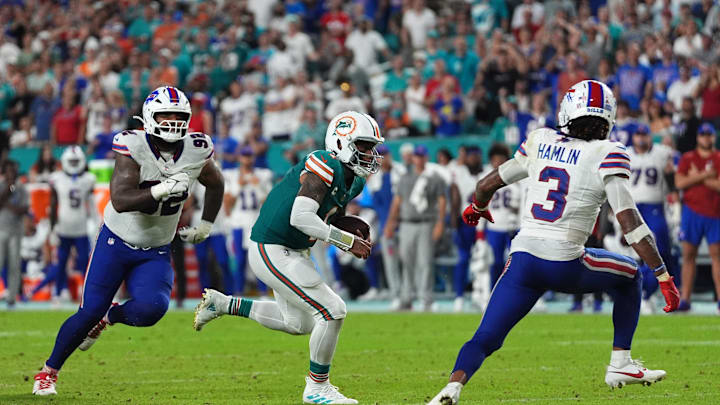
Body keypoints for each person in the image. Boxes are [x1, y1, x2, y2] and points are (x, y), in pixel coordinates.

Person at [427, 80, 680, 405]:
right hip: (564, 262)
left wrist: (477, 208)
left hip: (523, 260)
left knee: (486, 337)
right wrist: (662, 274)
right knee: (631, 274)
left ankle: (452, 387)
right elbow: (630, 223)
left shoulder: (540, 139)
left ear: (567, 112)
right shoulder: (609, 152)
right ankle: (620, 364)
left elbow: (485, 184)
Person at [32, 86, 225, 396]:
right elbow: (120, 199)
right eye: (166, 115)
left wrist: (206, 223)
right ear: (150, 116)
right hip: (116, 242)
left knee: (152, 309)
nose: (174, 121)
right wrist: (161, 190)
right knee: (88, 311)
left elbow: (216, 184)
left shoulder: (197, 148)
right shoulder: (131, 143)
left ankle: (111, 316)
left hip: (157, 248)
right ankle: (48, 372)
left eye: (180, 116)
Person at [194, 111, 382, 404]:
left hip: (293, 249)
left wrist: (348, 234)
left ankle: (223, 303)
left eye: (373, 147)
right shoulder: (325, 163)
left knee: (300, 323)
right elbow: (301, 217)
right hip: (272, 245)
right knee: (333, 310)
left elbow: (330, 213)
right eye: (364, 145)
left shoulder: (354, 180)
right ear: (342, 142)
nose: (371, 153)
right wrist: (345, 240)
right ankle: (317, 387)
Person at [384, 145, 447, 311]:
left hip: (426, 222)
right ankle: (406, 299)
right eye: (416, 156)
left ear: (426, 158)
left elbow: (441, 202)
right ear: (413, 158)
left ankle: (426, 300)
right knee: (406, 261)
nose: (419, 159)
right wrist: (391, 223)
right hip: (406, 223)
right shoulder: (405, 178)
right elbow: (397, 202)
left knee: (425, 262)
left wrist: (440, 223)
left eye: (421, 156)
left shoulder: (434, 178)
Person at [626, 124, 676, 313]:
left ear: (650, 137)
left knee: (660, 251)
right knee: (633, 255)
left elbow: (673, 168)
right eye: (638, 134)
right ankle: (639, 293)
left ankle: (648, 292)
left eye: (644, 135)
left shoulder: (662, 153)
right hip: (631, 208)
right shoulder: (626, 153)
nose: (641, 138)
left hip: (655, 207)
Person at [675, 123, 720, 312]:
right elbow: (679, 182)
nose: (706, 138)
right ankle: (685, 299)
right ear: (698, 137)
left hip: (715, 212)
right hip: (691, 212)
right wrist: (706, 176)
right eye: (703, 135)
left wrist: (698, 177)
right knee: (688, 256)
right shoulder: (688, 158)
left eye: (709, 135)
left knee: (717, 256)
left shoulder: (718, 158)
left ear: (714, 137)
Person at [46, 146, 98, 301]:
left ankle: (85, 291)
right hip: (63, 226)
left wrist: (95, 223)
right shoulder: (56, 178)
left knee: (84, 261)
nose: (74, 164)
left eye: (77, 161)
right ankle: (59, 290)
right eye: (72, 161)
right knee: (61, 261)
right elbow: (53, 204)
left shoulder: (88, 179)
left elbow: (92, 204)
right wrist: (52, 228)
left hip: (81, 226)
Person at [222, 146, 274, 295]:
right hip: (238, 222)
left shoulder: (262, 175)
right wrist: (239, 185)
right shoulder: (231, 176)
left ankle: (263, 292)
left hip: (256, 222)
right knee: (239, 260)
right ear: (240, 158)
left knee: (259, 260)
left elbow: (268, 203)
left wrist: (258, 186)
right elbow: (227, 203)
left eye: (249, 156)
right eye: (244, 156)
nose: (247, 159)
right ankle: (238, 292)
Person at [449, 145, 486, 312]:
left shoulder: (487, 171)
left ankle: (481, 296)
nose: (474, 159)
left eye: (476, 156)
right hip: (466, 222)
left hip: (485, 223)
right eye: (471, 156)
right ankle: (459, 296)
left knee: (484, 262)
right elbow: (455, 199)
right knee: (463, 260)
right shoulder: (460, 172)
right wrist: (454, 224)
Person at [483, 144, 523, 291]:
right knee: (495, 262)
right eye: (495, 159)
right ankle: (493, 291)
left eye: (501, 159)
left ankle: (517, 292)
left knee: (517, 263)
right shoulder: (486, 177)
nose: (498, 162)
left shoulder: (517, 178)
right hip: (494, 227)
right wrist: (480, 230)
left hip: (514, 226)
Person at [0, 159, 29, 309]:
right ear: (5, 171)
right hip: (1, 229)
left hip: (16, 231)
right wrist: (8, 191)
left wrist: (7, 205)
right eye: (9, 170)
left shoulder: (22, 188)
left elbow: (24, 210)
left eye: (13, 170)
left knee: (14, 265)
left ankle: (11, 298)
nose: (11, 173)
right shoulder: (1, 185)